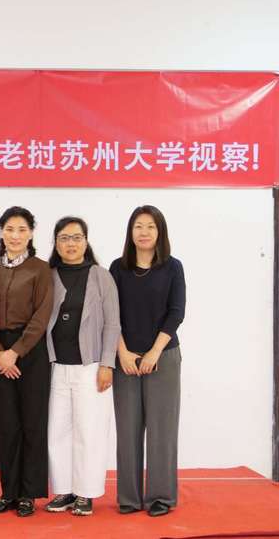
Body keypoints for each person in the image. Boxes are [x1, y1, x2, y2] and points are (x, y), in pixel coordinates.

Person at [110, 205, 185, 517]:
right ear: (130, 232)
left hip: (163, 357)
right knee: (127, 430)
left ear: (160, 232)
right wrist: (122, 352)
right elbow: (111, 315)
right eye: (138, 226)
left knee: (161, 429)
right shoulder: (118, 268)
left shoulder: (173, 267)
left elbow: (176, 312)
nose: (144, 232)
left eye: (150, 226)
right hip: (125, 359)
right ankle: (129, 497)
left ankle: (160, 497)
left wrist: (154, 352)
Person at [43, 216, 120, 517]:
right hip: (56, 366)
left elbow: (112, 323)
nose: (71, 244)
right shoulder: (47, 275)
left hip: (91, 366)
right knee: (58, 431)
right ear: (56, 243)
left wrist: (107, 364)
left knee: (90, 430)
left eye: (77, 237)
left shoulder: (101, 276)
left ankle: (86, 493)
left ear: (86, 241)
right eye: (64, 238)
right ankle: (64, 490)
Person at [0, 206, 53, 517]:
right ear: (1, 232)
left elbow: (42, 316)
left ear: (31, 233)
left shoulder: (41, 269)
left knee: (32, 422)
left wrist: (17, 351)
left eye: (22, 230)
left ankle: (28, 493)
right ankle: (8, 492)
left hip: (31, 352)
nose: (15, 236)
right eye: (9, 229)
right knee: (7, 423)